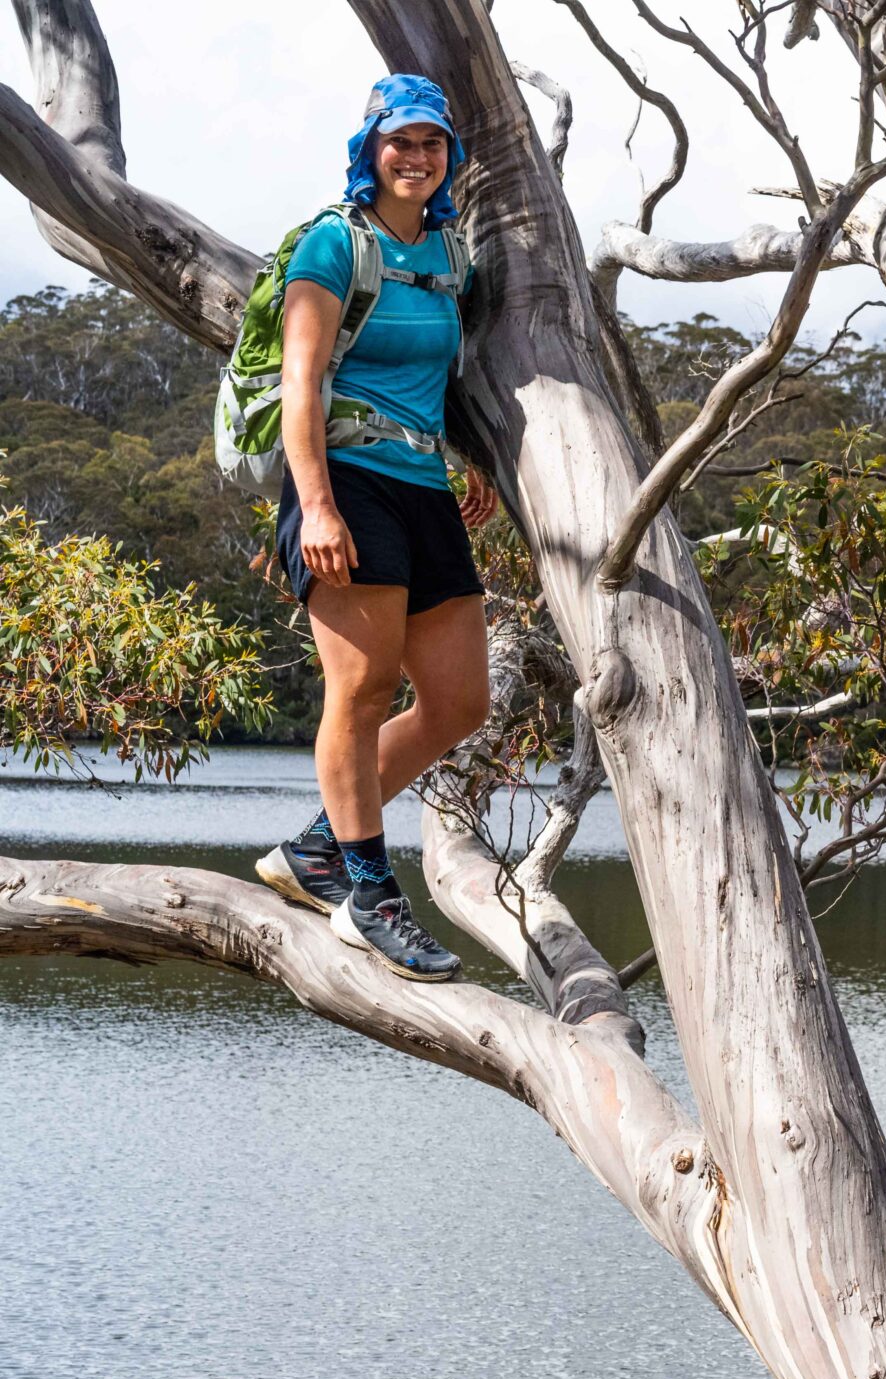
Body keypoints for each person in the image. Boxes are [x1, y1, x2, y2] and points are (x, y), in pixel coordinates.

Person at [252, 74, 497, 981]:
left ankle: (320, 848)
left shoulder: (448, 256)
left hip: (424, 487)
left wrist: (476, 461)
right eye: (401, 142)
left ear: (449, 158)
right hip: (346, 482)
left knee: (459, 699)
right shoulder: (333, 244)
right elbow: (302, 383)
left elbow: (448, 380)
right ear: (370, 149)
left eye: (433, 143)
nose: (417, 157)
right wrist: (314, 504)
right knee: (360, 692)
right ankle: (368, 893)